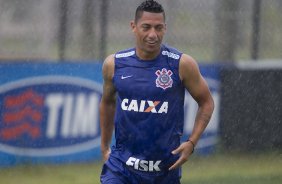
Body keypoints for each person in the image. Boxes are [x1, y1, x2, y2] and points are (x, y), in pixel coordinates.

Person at [99, 0, 214, 183]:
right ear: (133, 26)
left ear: (165, 28)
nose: (153, 34)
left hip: (164, 171)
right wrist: (105, 146)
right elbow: (107, 101)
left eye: (158, 28)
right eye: (146, 27)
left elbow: (206, 102)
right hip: (121, 169)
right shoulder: (114, 64)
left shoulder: (181, 64)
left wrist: (192, 143)